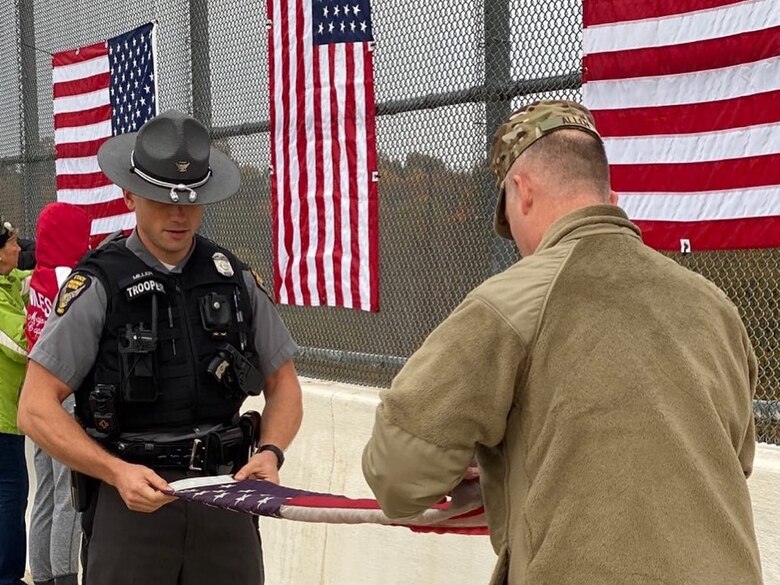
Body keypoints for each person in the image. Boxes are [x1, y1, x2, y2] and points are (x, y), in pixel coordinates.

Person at [362, 100, 762, 585]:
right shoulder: (714, 307)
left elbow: (397, 474)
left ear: (522, 191)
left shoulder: (510, 301)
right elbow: (733, 459)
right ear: (610, 197)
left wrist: (478, 461)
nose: (516, 241)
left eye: (509, 219)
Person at [18, 109, 303, 585]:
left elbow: (284, 383)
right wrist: (113, 471)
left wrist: (271, 451)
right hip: (132, 506)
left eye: (191, 200)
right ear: (130, 194)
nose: (178, 214)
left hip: (224, 498)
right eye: (162, 198)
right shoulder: (99, 284)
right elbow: (35, 407)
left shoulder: (233, 279)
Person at [25, 202, 91, 585]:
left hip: (37, 390)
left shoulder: (41, 273)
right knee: (69, 489)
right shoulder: (70, 277)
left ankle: (44, 575)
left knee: (47, 491)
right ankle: (64, 577)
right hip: (65, 391)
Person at [0, 217, 32, 585]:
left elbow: (31, 281)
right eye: (12, 243)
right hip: (3, 419)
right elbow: (20, 345)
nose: (19, 249)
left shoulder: (8, 283)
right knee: (11, 495)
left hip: (8, 414)